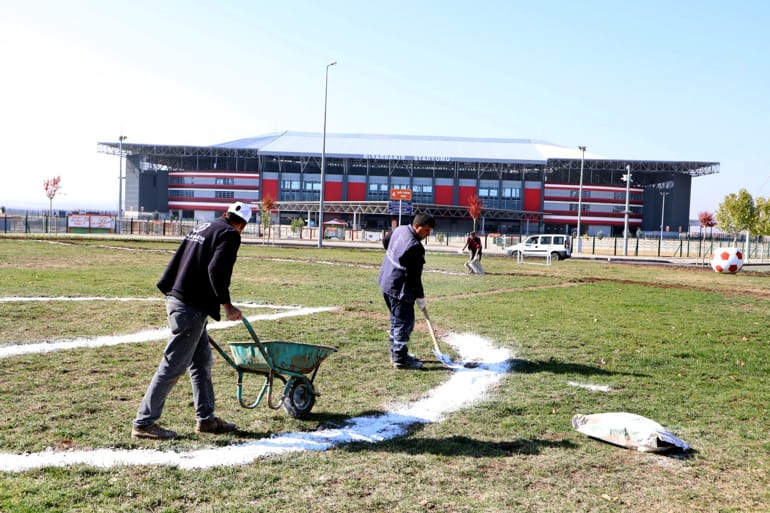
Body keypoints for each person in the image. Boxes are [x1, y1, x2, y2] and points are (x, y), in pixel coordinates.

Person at [131, 201, 252, 440]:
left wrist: (171, 289)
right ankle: (144, 422)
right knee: (172, 366)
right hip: (189, 308)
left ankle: (206, 419)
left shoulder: (204, 226)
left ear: (225, 213)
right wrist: (227, 306)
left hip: (183, 301)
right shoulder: (229, 234)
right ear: (243, 225)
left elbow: (179, 258)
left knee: (202, 362)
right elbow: (216, 270)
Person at [377, 213, 436, 370]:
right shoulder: (415, 246)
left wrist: (394, 257)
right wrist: (420, 297)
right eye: (426, 230)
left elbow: (385, 241)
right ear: (417, 226)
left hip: (386, 281)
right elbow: (415, 277)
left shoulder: (399, 229)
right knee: (404, 323)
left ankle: (396, 352)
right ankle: (400, 359)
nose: (428, 234)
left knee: (396, 321)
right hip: (399, 289)